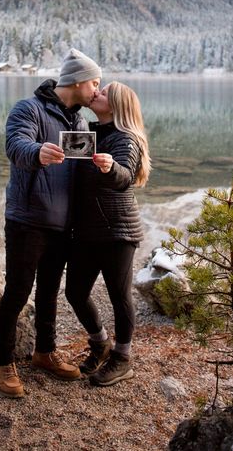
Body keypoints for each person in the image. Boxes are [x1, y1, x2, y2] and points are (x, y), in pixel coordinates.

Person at [0, 48, 102, 398]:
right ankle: (3, 361)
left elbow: (80, 172)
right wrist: (37, 152)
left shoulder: (80, 121)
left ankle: (44, 352)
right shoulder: (29, 109)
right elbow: (15, 144)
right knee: (18, 291)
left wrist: (102, 166)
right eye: (95, 83)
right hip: (28, 218)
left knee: (50, 292)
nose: (98, 90)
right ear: (78, 81)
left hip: (63, 223)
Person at [65, 81, 151, 387]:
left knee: (119, 296)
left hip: (117, 232)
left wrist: (110, 167)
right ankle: (100, 342)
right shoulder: (90, 133)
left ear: (114, 105)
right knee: (74, 292)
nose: (96, 94)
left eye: (103, 93)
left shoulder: (126, 139)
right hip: (86, 231)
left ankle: (122, 358)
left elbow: (125, 176)